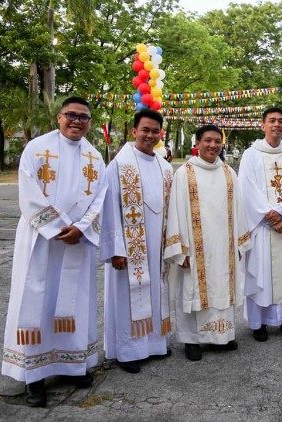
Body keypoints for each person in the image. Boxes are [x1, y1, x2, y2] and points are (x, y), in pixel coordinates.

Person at [1, 97, 107, 407]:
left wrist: (83, 229)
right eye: (71, 115)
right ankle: (34, 377)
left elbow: (101, 198)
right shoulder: (36, 148)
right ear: (59, 117)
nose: (77, 121)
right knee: (36, 302)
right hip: (41, 240)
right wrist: (60, 228)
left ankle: (73, 365)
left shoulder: (95, 156)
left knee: (74, 304)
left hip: (77, 242)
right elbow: (29, 192)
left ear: (89, 122)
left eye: (83, 117)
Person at [164, 124, 251, 361]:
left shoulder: (228, 173)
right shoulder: (185, 173)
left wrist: (240, 244)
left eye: (217, 141)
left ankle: (221, 335)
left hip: (224, 246)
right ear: (198, 143)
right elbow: (176, 211)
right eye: (208, 141)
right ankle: (192, 339)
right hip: (195, 246)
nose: (213, 145)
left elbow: (239, 208)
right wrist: (180, 250)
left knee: (222, 285)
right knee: (194, 289)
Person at [100, 110, 174, 374]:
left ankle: (156, 344)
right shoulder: (119, 166)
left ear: (160, 134)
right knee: (127, 297)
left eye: (155, 131)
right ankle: (127, 352)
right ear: (134, 131)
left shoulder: (165, 168)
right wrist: (116, 249)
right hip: (129, 249)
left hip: (158, 246)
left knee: (157, 292)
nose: (150, 135)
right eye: (145, 130)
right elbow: (109, 210)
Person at [238, 107, 282, 342]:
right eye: (272, 121)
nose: (276, 124)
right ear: (263, 125)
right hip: (262, 227)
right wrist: (271, 217)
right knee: (261, 272)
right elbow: (247, 189)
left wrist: (281, 216)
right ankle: (259, 323)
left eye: (281, 121)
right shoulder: (251, 154)